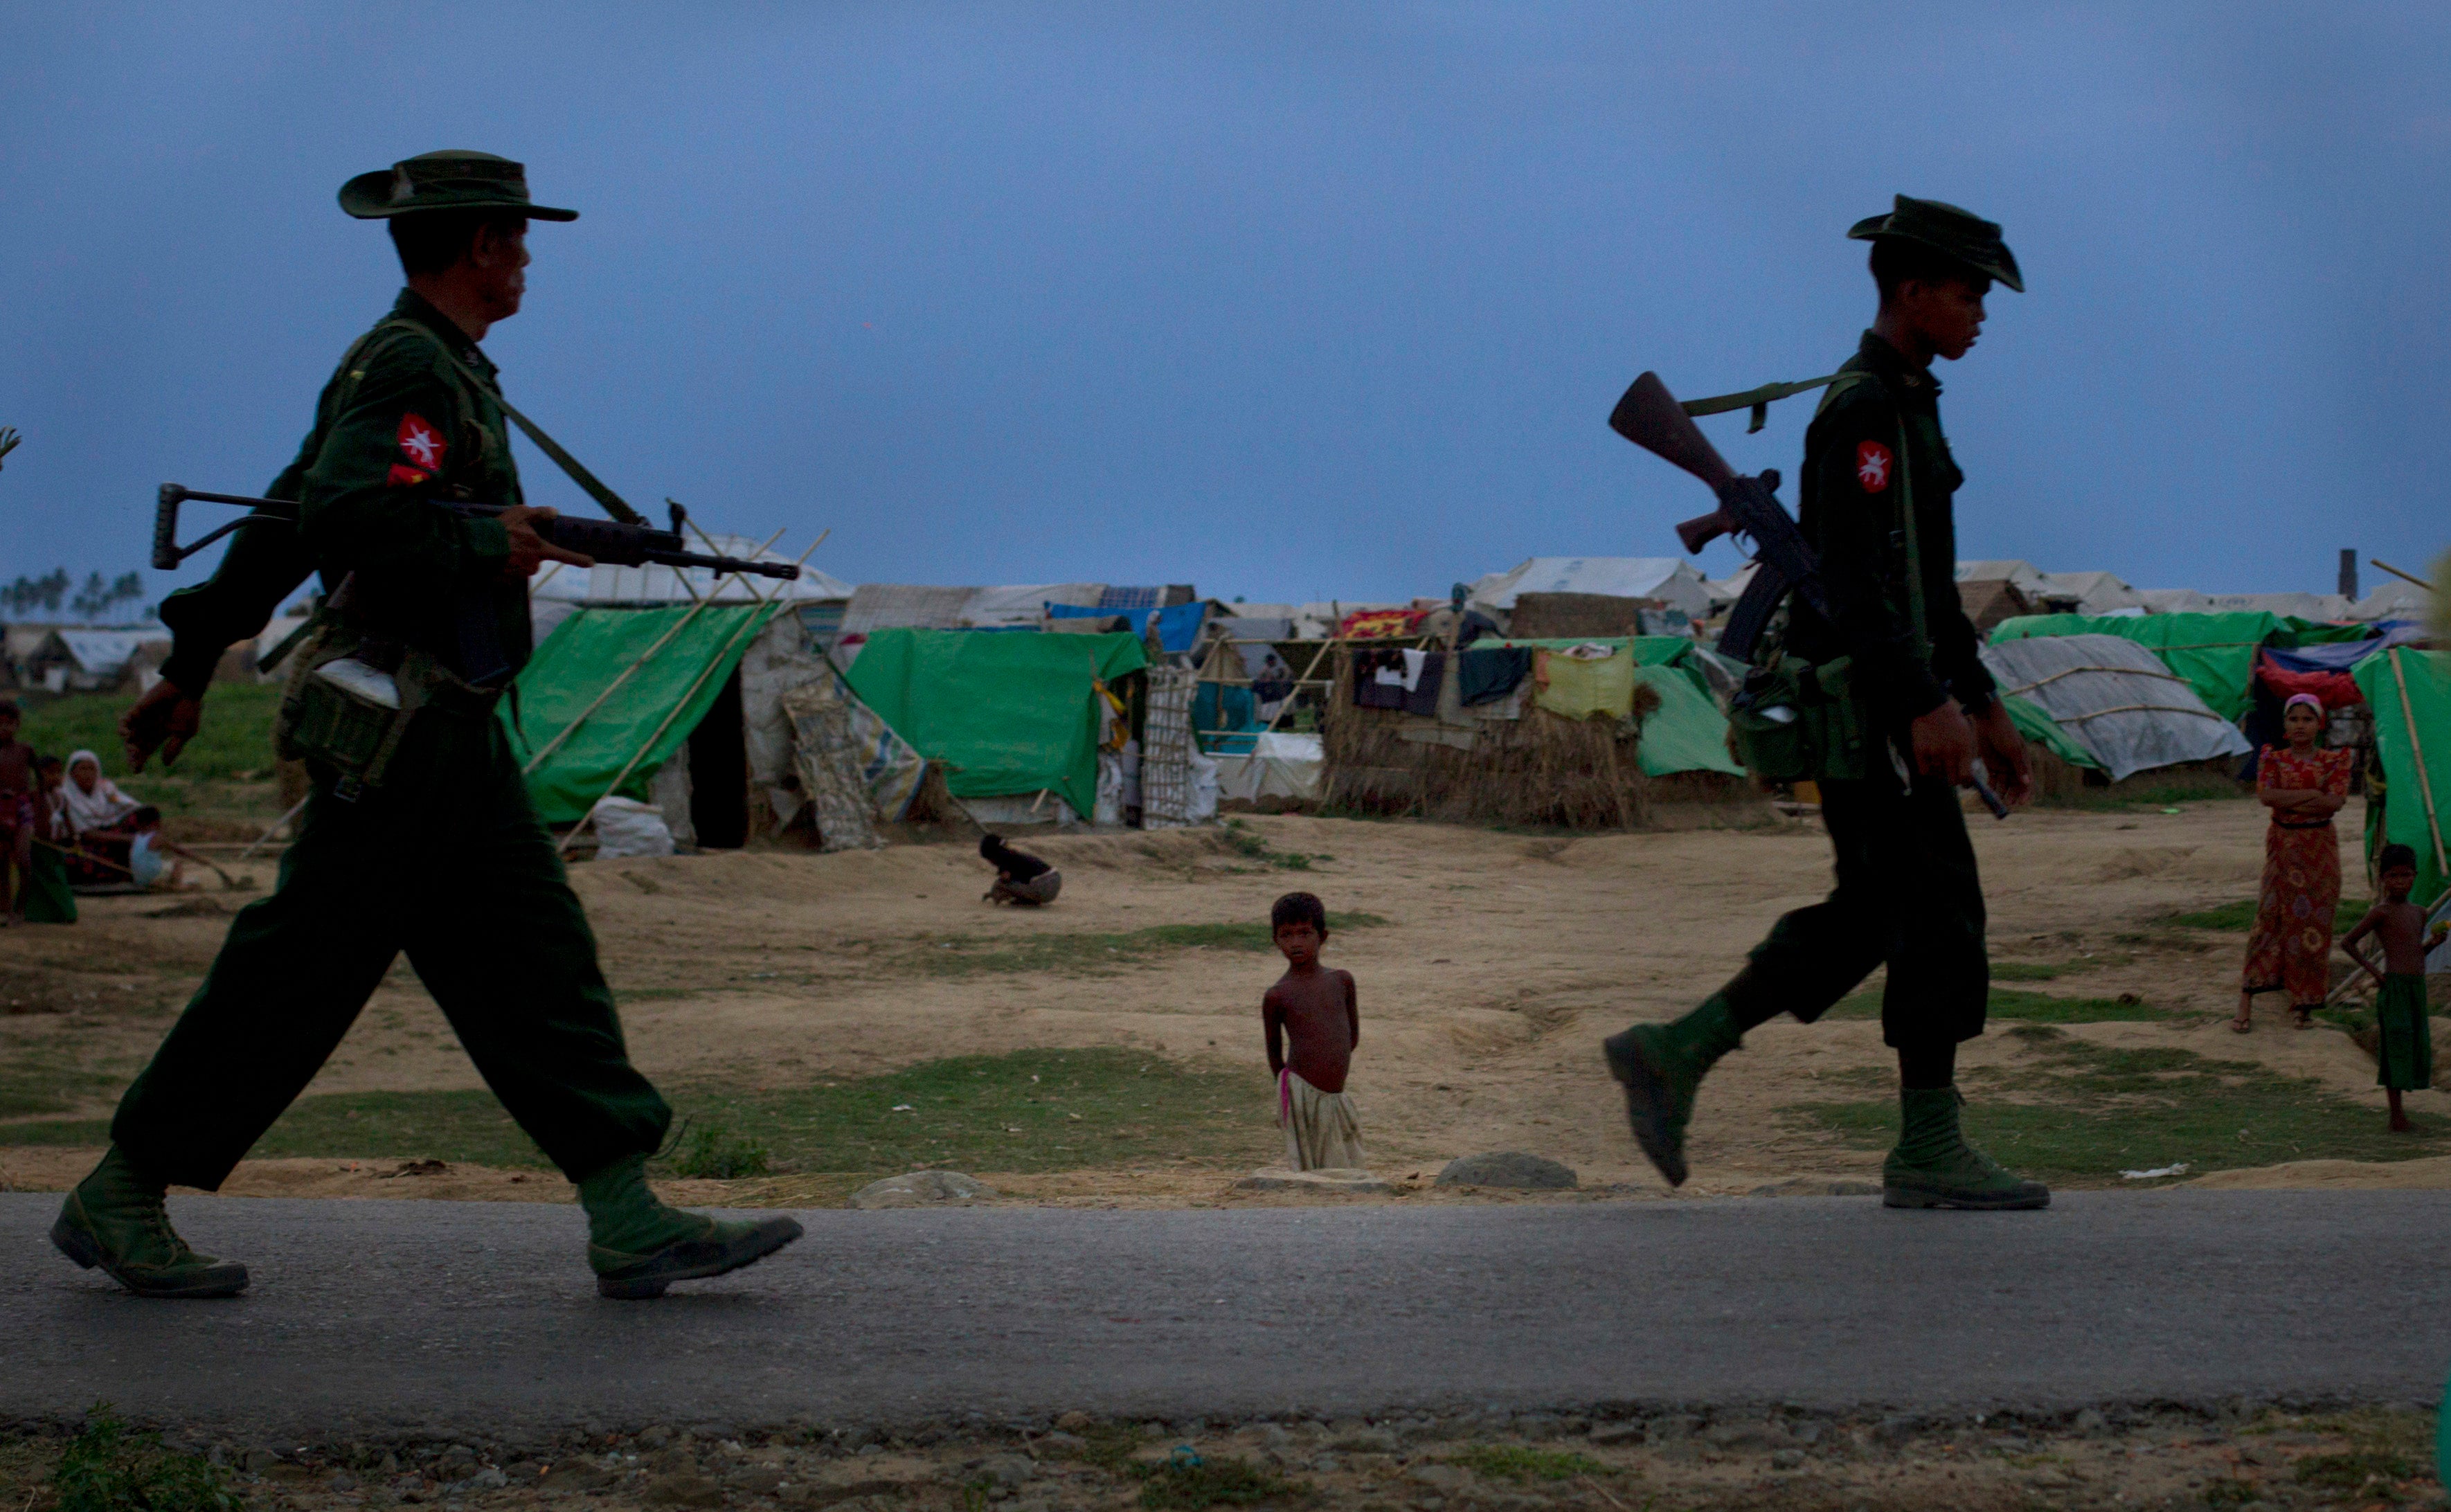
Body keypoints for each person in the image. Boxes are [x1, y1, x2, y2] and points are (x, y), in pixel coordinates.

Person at [54, 151, 800, 1302]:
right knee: (298, 969)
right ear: (478, 248)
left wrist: (197, 656)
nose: (529, 258)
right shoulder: (412, 364)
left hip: (450, 730)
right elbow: (352, 511)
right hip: (402, 740)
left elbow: (293, 514)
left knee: (538, 962)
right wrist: (478, 544)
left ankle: (626, 1206)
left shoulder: (432, 366)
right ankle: (126, 1186)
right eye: (516, 238)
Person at [1604, 196, 2045, 1211]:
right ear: (1912, 291)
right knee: (1925, 912)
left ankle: (1679, 1052)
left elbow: (1927, 585)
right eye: (1971, 291)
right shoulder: (1859, 411)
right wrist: (1924, 703)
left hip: (1900, 704)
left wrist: (1979, 700)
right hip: (1871, 715)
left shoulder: (1904, 403)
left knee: (1886, 912)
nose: (1982, 311)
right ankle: (1922, 1145)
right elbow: (1853, 580)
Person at [2236, 693, 2355, 1033]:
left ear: (2319, 724)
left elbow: (2334, 803)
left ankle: (2304, 1003)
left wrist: (2297, 802)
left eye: (2307, 719)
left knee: (2315, 920)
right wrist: (2312, 796)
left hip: (2319, 850)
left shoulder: (2336, 760)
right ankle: (2247, 997)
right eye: (2294, 719)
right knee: (2269, 918)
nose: (2300, 725)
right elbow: (2266, 796)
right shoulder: (2272, 758)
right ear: (2285, 724)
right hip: (2283, 847)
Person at [2341, 844, 2441, 1131]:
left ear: (2415, 877)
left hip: (2416, 988)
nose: (2400, 882)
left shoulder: (2420, 914)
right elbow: (2347, 942)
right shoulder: (2380, 913)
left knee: (2414, 1043)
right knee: (2395, 1045)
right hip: (2394, 986)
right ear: (2382, 878)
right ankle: (2396, 1117)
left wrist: (2433, 945)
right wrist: (2376, 973)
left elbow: (2413, 954)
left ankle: (2402, 1114)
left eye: (2406, 876)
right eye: (2393, 876)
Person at [1262, 890, 1365, 1171]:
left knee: (1343, 1162)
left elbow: (1351, 1038)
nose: (1296, 943)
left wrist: (1331, 1064)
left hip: (1335, 1096)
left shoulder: (1342, 981)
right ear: (1276, 940)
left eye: (1305, 933)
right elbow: (1274, 1055)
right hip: (1301, 1093)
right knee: (1311, 1166)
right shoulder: (1277, 996)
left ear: (1323, 936)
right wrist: (1292, 1093)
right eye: (1286, 935)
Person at [0, 702, 37, 924]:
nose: (4, 728)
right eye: (0, 724)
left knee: (23, 860)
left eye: (9, 724)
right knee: (2, 861)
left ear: (17, 725)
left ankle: (21, 908)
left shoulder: (25, 750)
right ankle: (5, 910)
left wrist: (39, 802)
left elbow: (40, 777)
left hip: (22, 806)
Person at [59, 750, 140, 836]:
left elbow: (130, 806)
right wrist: (129, 840)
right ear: (72, 773)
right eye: (83, 769)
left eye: (92, 769)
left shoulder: (105, 790)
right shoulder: (67, 796)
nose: (88, 774)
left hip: (112, 833)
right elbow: (85, 834)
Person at [120, 808, 201, 892]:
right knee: (177, 861)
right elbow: (180, 851)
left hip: (139, 879)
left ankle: (163, 883)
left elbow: (110, 836)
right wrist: (202, 860)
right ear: (156, 822)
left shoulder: (135, 837)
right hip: (153, 876)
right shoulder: (157, 838)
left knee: (163, 864)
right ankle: (177, 885)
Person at [980, 833, 1061, 906]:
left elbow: (1005, 879)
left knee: (1000, 884)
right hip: (1055, 880)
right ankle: (1029, 900)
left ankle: (1027, 899)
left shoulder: (1004, 857)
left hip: (1043, 885)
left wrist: (995, 892)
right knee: (1015, 882)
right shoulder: (1015, 855)